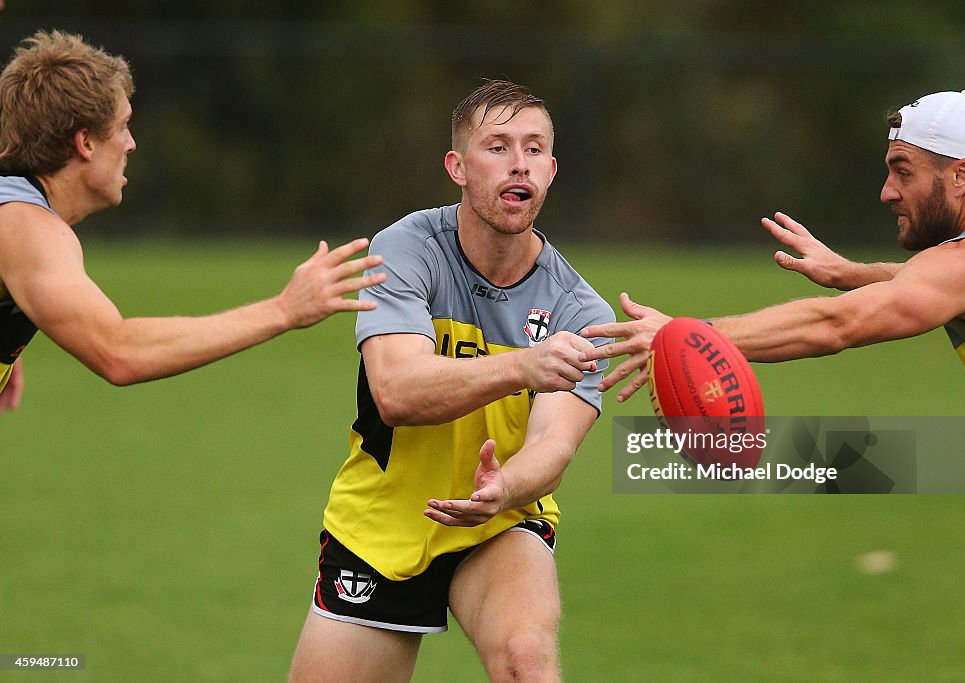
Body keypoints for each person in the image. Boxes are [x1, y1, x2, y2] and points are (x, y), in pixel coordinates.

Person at [287, 80, 613, 682]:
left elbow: (554, 446)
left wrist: (504, 487)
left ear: (552, 170)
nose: (520, 163)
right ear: (457, 167)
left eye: (535, 149)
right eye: (498, 147)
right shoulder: (407, 252)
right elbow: (398, 392)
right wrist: (521, 364)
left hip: (501, 518)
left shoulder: (582, 312)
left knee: (527, 661)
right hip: (383, 523)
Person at [0, 30, 384, 414]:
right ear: (85, 143)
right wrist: (284, 309)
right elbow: (117, 352)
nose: (131, 143)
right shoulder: (28, 226)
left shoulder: (16, 213)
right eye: (122, 126)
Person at [581, 90, 965, 419]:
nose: (888, 192)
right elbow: (935, 283)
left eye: (903, 172)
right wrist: (848, 273)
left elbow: (834, 324)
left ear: (963, 175)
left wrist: (683, 337)